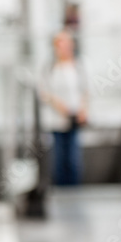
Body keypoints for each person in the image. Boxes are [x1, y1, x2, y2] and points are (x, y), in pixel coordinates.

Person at [39, 30, 88, 186]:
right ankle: (60, 189)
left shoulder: (79, 66)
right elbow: (44, 92)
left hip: (74, 119)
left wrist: (82, 110)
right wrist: (61, 107)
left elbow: (85, 90)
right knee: (59, 158)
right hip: (56, 119)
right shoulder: (49, 67)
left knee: (73, 158)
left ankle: (74, 189)